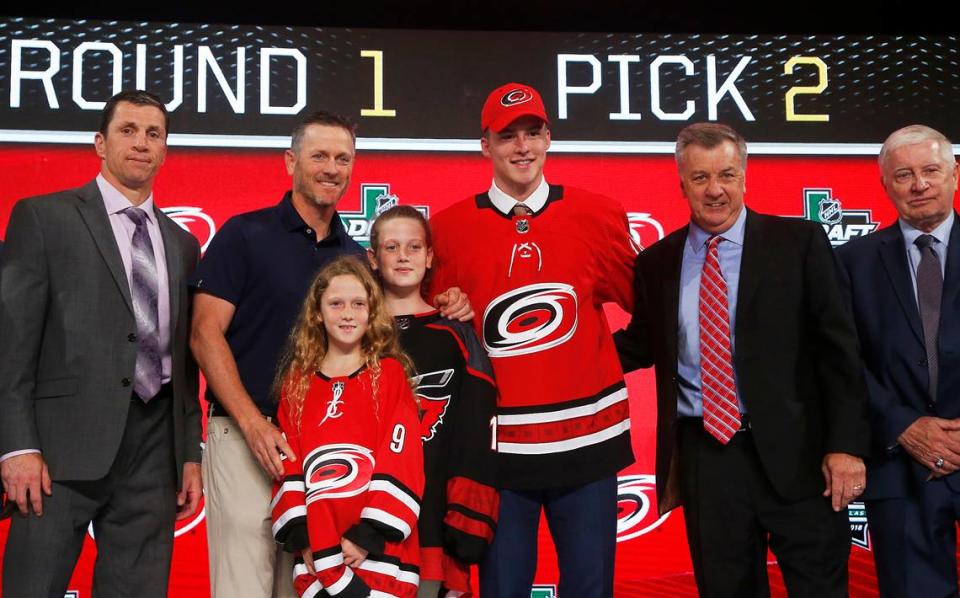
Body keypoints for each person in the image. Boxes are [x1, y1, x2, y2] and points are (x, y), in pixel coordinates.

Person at [190, 111, 472, 598]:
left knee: (313, 582)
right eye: (319, 155)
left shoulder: (356, 255)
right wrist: (255, 424)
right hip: (243, 430)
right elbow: (203, 334)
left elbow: (399, 311)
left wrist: (451, 300)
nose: (331, 167)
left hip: (327, 447)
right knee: (244, 586)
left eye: (343, 158)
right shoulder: (244, 234)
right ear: (290, 161)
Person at [614, 122, 871, 597]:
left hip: (803, 456)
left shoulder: (801, 243)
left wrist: (847, 446)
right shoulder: (656, 263)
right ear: (681, 184)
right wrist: (554, 353)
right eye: (701, 178)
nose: (715, 190)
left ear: (745, 176)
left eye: (727, 175)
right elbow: (641, 344)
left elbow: (840, 353)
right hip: (708, 461)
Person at [428, 82, 637, 597]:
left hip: (588, 444)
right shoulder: (447, 230)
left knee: (590, 590)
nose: (521, 147)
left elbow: (651, 310)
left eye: (532, 133)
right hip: (497, 451)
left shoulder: (598, 215)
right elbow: (421, 333)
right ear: (485, 145)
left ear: (548, 138)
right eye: (507, 136)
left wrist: (608, 356)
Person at [0, 90, 202, 597]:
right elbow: (12, 344)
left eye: (153, 134)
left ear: (165, 150)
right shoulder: (43, 218)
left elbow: (185, 355)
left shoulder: (183, 243)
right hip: (57, 451)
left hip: (155, 452)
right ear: (99, 142)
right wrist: (17, 447)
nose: (141, 143)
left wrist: (189, 453)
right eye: (128, 130)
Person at [836, 124, 960, 597]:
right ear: (884, 184)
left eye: (931, 170)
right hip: (898, 464)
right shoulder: (850, 262)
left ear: (954, 174)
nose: (919, 185)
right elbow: (842, 363)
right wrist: (906, 426)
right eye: (903, 174)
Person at [271, 256, 423, 598]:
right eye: (336, 304)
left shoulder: (389, 376)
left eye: (358, 304)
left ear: (372, 313)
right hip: (317, 549)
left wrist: (368, 534)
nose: (348, 313)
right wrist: (303, 538)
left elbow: (402, 456)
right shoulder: (297, 384)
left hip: (375, 547)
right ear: (317, 313)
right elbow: (288, 466)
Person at [368, 206, 498, 597]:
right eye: (392, 247)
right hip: (364, 526)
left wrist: (467, 516)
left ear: (429, 257)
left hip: (436, 526)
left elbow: (476, 431)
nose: (404, 255)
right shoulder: (353, 334)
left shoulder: (456, 335)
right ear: (373, 259)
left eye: (413, 246)